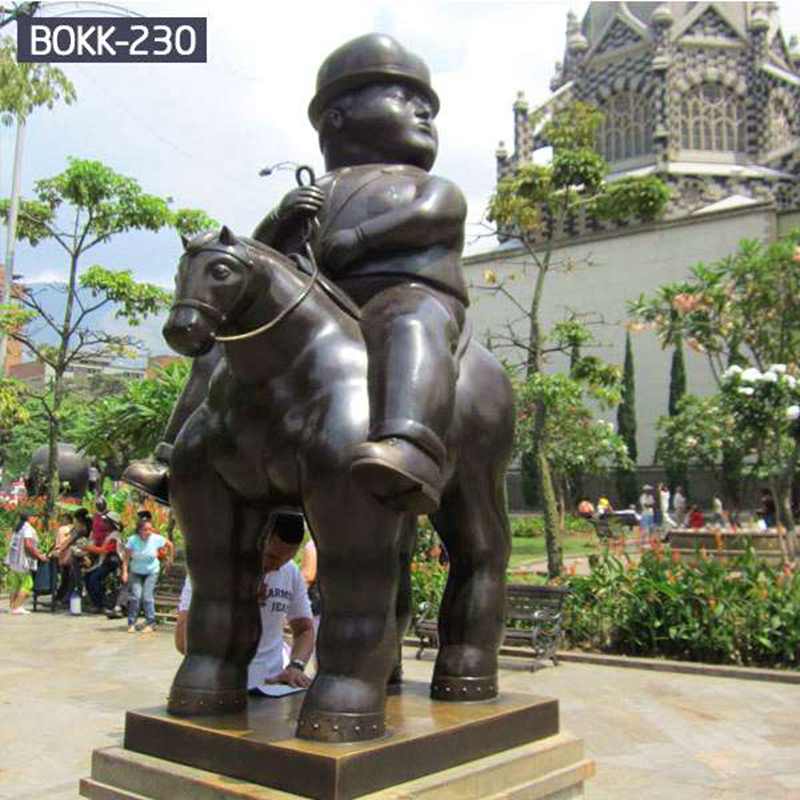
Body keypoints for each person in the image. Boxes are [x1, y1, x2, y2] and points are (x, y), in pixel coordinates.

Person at [126, 34, 467, 517]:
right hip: (325, 304)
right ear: (336, 117)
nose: (423, 112)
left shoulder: (428, 185)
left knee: (408, 323)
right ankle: (172, 455)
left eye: (427, 104)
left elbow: (440, 214)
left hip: (407, 295)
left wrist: (363, 238)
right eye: (404, 97)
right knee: (225, 343)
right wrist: (280, 221)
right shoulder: (315, 191)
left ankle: (409, 444)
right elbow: (257, 263)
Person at [175, 512, 314, 691]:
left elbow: (305, 630)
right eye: (272, 556)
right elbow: (182, 641)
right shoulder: (213, 568)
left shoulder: (290, 571)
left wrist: (296, 666)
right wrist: (235, 600)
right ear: (255, 539)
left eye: (286, 559)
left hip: (271, 686)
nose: (278, 566)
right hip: (219, 686)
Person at [123, 514, 174, 633]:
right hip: (136, 572)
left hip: (151, 571)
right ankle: (131, 623)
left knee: (147, 597)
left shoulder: (156, 538)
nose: (148, 532)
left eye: (150, 529)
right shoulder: (132, 540)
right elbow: (126, 558)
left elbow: (170, 545)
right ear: (139, 530)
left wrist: (170, 560)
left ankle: (151, 623)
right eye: (146, 529)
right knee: (136, 596)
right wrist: (125, 572)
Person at [5, 513, 48, 614]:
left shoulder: (18, 528)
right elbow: (28, 545)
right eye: (35, 517)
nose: (36, 519)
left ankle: (12, 606)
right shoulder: (27, 528)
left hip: (13, 561)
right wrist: (39, 556)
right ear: (30, 517)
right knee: (28, 583)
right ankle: (17, 607)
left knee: (15, 585)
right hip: (22, 561)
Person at [84, 510, 124, 613]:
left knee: (94, 578)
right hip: (104, 561)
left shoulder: (115, 536)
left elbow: (104, 550)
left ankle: (101, 604)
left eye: (106, 522)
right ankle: (96, 603)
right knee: (87, 577)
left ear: (112, 523)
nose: (104, 524)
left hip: (112, 563)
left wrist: (88, 547)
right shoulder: (108, 534)